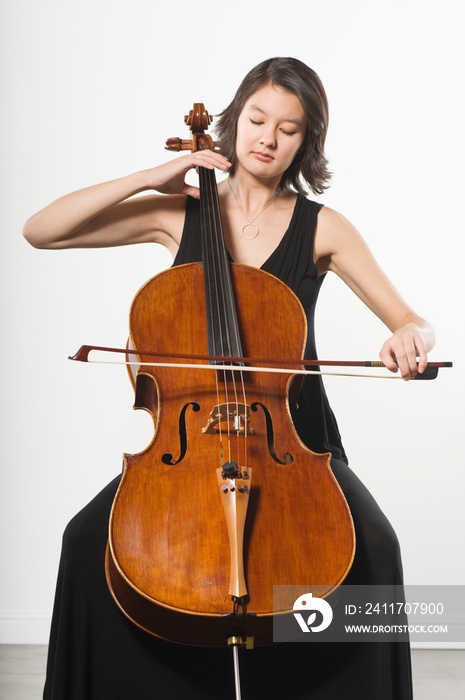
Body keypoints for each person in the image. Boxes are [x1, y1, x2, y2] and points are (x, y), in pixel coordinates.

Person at [23, 57, 434, 699]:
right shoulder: (180, 214)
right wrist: (152, 177)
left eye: (289, 128)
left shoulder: (321, 227)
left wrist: (408, 337)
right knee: (86, 543)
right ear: (234, 119)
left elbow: (411, 319)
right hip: (183, 452)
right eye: (258, 118)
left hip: (295, 444)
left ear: (308, 142)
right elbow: (40, 231)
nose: (268, 138)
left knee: (376, 549)